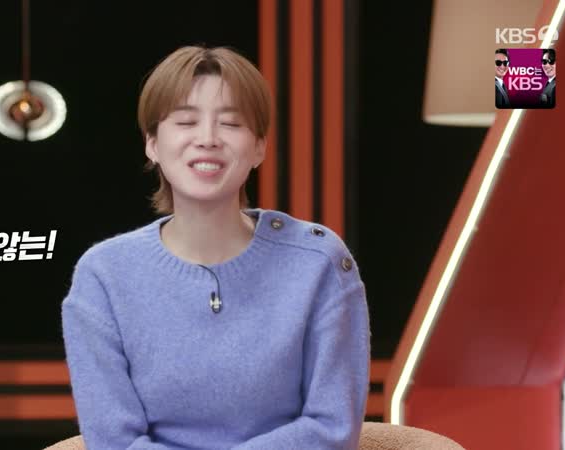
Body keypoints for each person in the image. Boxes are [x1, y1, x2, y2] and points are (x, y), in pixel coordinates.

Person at [61, 46, 370, 450]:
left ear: (259, 147)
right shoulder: (104, 275)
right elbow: (113, 440)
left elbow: (332, 426)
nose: (207, 139)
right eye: (186, 122)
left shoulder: (319, 261)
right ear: (152, 144)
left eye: (230, 123)